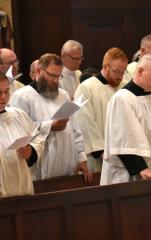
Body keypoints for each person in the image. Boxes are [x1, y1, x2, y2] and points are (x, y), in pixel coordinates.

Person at [9, 53, 92, 182]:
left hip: (67, 167)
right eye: (52, 75)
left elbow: (76, 130)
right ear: (38, 71)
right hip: (40, 170)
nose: (55, 80)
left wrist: (82, 158)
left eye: (58, 76)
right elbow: (19, 132)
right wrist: (51, 125)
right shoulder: (22, 96)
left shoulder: (63, 95)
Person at [101, 54, 151, 185]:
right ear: (140, 71)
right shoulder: (123, 99)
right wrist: (142, 170)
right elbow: (122, 141)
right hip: (131, 173)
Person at [74, 47, 128, 172]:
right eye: (116, 72)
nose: (120, 76)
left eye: (123, 72)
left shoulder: (125, 86)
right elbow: (85, 122)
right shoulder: (86, 88)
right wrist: (101, 151)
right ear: (105, 67)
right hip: (100, 157)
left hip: (125, 154)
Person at [0, 73, 43, 198]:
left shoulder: (18, 115)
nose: (3, 97)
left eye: (6, 91)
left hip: (22, 192)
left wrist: (30, 152)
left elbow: (38, 141)